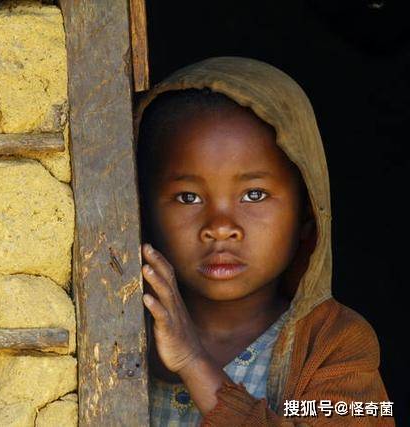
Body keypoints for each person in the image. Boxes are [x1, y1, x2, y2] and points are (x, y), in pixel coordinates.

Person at [135, 57, 394, 426]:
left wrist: (194, 363)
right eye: (188, 197)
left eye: (254, 195)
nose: (221, 226)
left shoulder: (332, 342)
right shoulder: (113, 328)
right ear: (141, 210)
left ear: (307, 214)